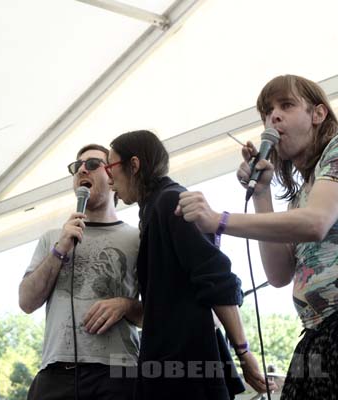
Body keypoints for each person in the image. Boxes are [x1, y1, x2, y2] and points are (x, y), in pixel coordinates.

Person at [175, 74, 338, 400]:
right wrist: (262, 195)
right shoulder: (300, 195)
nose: (273, 116)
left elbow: (317, 222)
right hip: (318, 332)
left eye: (286, 105)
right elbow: (278, 274)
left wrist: (218, 221)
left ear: (318, 114)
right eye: (267, 111)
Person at [106, 130, 273, 399]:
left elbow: (215, 278)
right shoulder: (153, 208)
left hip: (188, 370)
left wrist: (243, 351)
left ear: (134, 165)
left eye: (110, 166)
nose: (108, 176)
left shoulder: (171, 201)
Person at [19, 144, 142, 400]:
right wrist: (60, 248)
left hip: (118, 373)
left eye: (93, 164)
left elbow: (162, 313)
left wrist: (126, 305)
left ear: (113, 176)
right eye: (77, 167)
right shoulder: (52, 238)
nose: (82, 169)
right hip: (56, 374)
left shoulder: (138, 238)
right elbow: (27, 302)